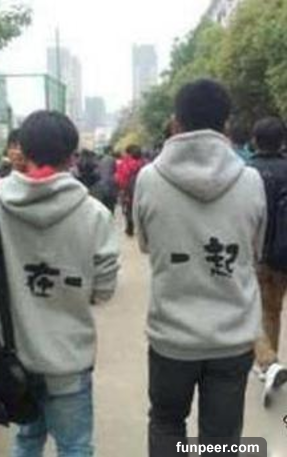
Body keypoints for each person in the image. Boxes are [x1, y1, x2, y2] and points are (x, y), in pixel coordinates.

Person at [0, 110, 119, 457]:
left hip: (15, 358)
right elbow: (104, 290)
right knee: (75, 447)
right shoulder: (94, 214)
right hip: (70, 360)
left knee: (27, 442)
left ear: (22, 150)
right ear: (72, 156)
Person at [134, 79, 267, 457]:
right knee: (221, 437)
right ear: (226, 125)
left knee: (167, 422)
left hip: (172, 335)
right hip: (231, 335)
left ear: (176, 123)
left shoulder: (149, 178)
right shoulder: (250, 180)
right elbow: (254, 249)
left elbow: (145, 244)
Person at [249, 117, 287, 407]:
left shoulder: (246, 173)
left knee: (264, 312)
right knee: (273, 310)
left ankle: (269, 362)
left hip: (261, 256)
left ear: (254, 140)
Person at [115, 144, 145, 236]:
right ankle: (142, 228)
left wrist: (121, 189)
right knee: (141, 208)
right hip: (141, 189)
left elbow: (120, 178)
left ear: (128, 153)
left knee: (128, 209)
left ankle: (130, 228)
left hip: (128, 190)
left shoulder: (125, 163)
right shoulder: (144, 163)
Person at [95, 146, 119, 214]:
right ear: (109, 151)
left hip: (101, 185)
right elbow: (115, 171)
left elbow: (98, 172)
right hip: (111, 185)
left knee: (103, 205)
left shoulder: (100, 160)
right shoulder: (112, 159)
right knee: (111, 206)